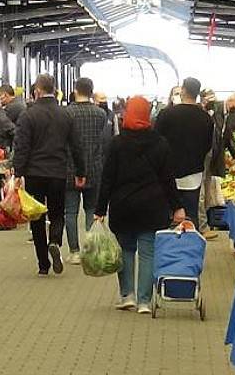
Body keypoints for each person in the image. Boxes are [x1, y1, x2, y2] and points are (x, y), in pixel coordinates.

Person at [95, 96, 182, 314]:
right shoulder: (161, 144)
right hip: (152, 207)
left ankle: (127, 296)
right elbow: (168, 179)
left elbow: (107, 179)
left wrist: (99, 210)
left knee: (125, 251)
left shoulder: (117, 144)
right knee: (148, 253)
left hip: (123, 206)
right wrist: (177, 206)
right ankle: (145, 300)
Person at [13, 74, 86, 276]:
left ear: (37, 90)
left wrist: (18, 172)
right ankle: (55, 240)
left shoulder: (28, 115)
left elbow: (22, 147)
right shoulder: (66, 115)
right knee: (57, 213)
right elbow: (76, 147)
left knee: (36, 217)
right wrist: (81, 172)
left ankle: (43, 263)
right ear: (54, 89)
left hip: (34, 173)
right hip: (58, 173)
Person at [155, 77, 213, 229]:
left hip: (168, 174)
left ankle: (167, 248)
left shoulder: (166, 114)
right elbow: (208, 146)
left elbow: (156, 142)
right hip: (194, 174)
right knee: (191, 215)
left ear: (183, 90)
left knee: (168, 216)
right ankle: (190, 248)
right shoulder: (206, 118)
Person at [64, 78, 107, 264]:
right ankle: (90, 251)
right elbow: (104, 142)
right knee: (91, 210)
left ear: (75, 90)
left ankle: (74, 251)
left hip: (69, 169)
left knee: (71, 212)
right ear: (91, 92)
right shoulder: (100, 114)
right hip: (95, 168)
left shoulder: (66, 113)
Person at [198, 88, 225, 240]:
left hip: (211, 157)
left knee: (206, 191)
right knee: (201, 191)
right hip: (201, 157)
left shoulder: (216, 114)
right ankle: (202, 226)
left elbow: (220, 134)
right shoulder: (199, 115)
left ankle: (204, 222)